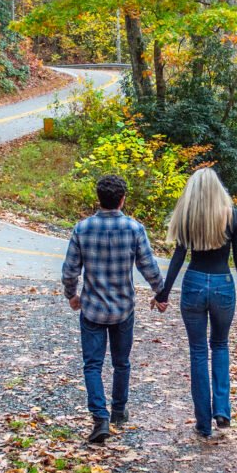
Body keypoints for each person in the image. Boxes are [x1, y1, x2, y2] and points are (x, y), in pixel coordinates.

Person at [62, 175, 168, 444]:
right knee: (121, 362)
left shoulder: (82, 229)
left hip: (92, 308)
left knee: (92, 365)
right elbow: (149, 267)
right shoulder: (134, 229)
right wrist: (161, 293)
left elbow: (69, 270)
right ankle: (119, 410)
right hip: (123, 308)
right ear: (123, 199)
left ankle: (100, 417)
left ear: (99, 198)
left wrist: (72, 295)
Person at [154, 168, 237, 438]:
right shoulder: (232, 215)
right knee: (219, 345)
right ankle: (222, 410)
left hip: (194, 284)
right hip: (223, 285)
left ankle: (203, 423)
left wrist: (163, 293)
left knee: (198, 352)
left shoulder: (188, 217)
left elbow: (178, 258)